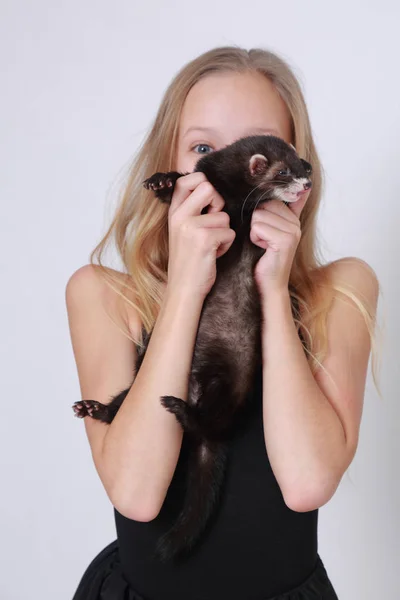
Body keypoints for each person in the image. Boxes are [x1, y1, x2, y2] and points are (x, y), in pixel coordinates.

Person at [66, 46, 380, 600]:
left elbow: (308, 483)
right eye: (206, 148)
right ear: (171, 160)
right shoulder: (105, 297)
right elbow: (136, 494)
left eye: (259, 149)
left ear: (295, 173)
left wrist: (272, 289)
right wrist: (188, 286)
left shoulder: (341, 291)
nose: (234, 170)